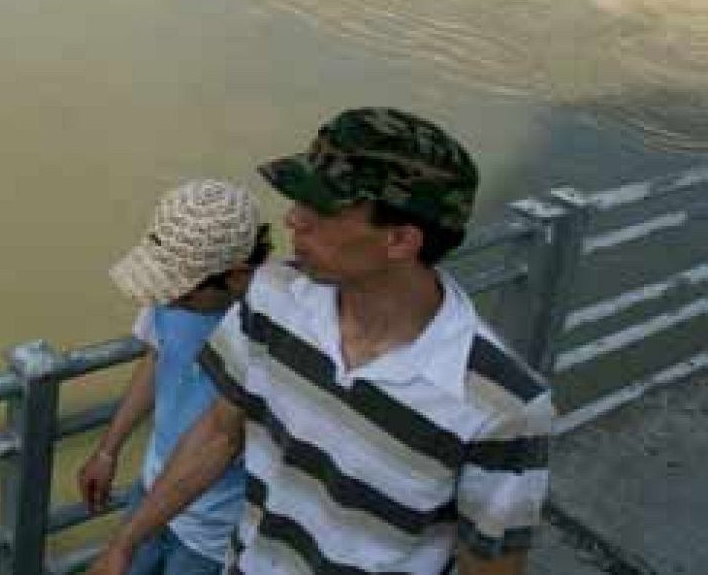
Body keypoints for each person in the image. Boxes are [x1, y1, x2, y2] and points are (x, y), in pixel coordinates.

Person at [88, 108, 555, 575]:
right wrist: (125, 544)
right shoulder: (273, 298)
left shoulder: (502, 409)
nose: (292, 220)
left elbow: (488, 567)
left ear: (400, 240)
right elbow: (219, 434)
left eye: (320, 209)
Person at [77, 179, 272, 575]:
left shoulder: (274, 330)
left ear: (235, 276)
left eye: (182, 295)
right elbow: (159, 358)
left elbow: (221, 439)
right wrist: (107, 450)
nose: (167, 301)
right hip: (151, 494)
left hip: (215, 533)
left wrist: (123, 545)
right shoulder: (173, 288)